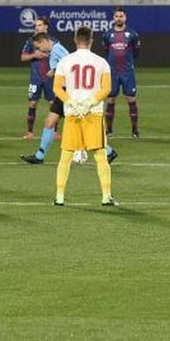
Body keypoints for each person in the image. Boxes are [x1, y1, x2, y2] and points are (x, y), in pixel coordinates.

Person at [21, 33, 117, 165]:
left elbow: (71, 67)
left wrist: (53, 72)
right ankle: (39, 156)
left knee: (80, 125)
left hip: (69, 93)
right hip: (65, 92)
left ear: (44, 42)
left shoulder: (57, 51)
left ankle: (109, 151)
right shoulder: (56, 50)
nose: (39, 51)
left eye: (39, 47)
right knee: (50, 121)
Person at [52, 26, 116, 207]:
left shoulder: (65, 61)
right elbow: (107, 88)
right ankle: (106, 196)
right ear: (91, 40)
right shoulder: (101, 62)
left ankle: (59, 196)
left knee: (65, 156)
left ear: (75, 39)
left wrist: (71, 102)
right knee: (100, 156)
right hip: (92, 113)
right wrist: (89, 102)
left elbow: (57, 88)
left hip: (72, 114)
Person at [102, 7, 141, 139]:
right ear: (114, 18)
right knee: (111, 100)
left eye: (121, 16)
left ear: (125, 18)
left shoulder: (132, 34)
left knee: (131, 99)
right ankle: (109, 130)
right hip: (112, 72)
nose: (119, 18)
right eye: (116, 16)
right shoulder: (107, 35)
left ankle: (135, 130)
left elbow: (136, 52)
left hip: (127, 72)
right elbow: (106, 51)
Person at [20, 14, 55, 139]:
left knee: (53, 104)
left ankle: (55, 132)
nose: (37, 28)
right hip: (36, 78)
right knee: (32, 104)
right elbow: (23, 57)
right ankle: (29, 132)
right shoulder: (31, 41)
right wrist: (34, 55)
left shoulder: (54, 41)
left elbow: (61, 59)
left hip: (50, 78)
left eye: (39, 25)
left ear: (45, 26)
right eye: (36, 25)